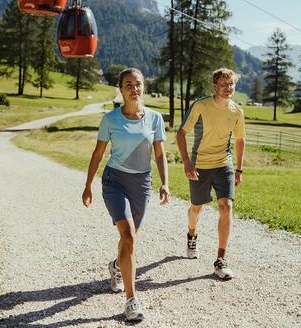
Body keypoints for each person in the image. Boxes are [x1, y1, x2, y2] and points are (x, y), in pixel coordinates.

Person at [82, 67, 170, 322]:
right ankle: (131, 300)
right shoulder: (110, 119)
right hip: (114, 181)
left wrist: (165, 183)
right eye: (128, 84)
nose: (134, 88)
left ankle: (117, 266)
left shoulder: (154, 118)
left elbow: (160, 154)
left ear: (144, 87)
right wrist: (88, 184)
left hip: (141, 183)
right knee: (128, 236)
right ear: (120, 89)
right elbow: (98, 154)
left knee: (131, 237)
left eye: (138, 84)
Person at [176, 68, 245, 279]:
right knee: (197, 208)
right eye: (223, 85)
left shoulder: (237, 111)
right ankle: (191, 233)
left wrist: (239, 169)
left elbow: (240, 140)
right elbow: (181, 133)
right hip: (200, 164)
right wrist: (187, 162)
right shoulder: (201, 105)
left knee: (226, 206)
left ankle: (221, 259)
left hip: (224, 163)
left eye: (231, 84)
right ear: (215, 86)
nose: (227, 88)